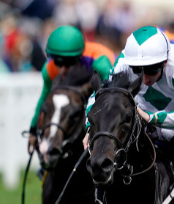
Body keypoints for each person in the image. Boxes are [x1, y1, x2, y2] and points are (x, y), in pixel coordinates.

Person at [85, 25, 174, 160]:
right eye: (138, 71)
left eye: (151, 69)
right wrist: (90, 128)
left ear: (165, 62)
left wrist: (150, 117)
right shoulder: (125, 61)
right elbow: (99, 97)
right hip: (143, 123)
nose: (145, 79)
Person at [29, 25, 114, 153]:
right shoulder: (49, 69)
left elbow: (112, 96)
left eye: (68, 62)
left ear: (79, 56)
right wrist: (33, 130)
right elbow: (45, 98)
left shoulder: (100, 63)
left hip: (105, 86)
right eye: (58, 62)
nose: (62, 69)